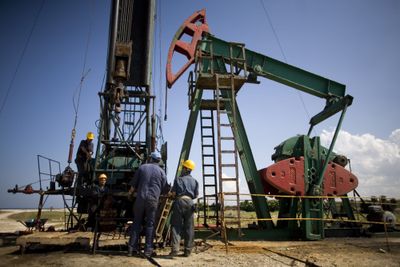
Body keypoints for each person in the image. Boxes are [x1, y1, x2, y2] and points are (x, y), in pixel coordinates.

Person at [128, 151, 167, 257]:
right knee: (150, 225)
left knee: (136, 223)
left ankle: (132, 249)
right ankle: (148, 251)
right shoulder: (162, 172)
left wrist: (130, 195)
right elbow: (164, 190)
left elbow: (133, 187)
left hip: (140, 199)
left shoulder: (142, 168)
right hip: (153, 201)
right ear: (159, 160)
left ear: (150, 158)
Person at [169, 159, 199, 257]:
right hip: (190, 203)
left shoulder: (178, 179)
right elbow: (195, 195)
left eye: (183, 167)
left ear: (186, 168)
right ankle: (187, 251)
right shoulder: (195, 181)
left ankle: (175, 249)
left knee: (176, 226)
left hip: (179, 202)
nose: (181, 169)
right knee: (189, 228)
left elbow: (173, 194)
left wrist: (171, 194)